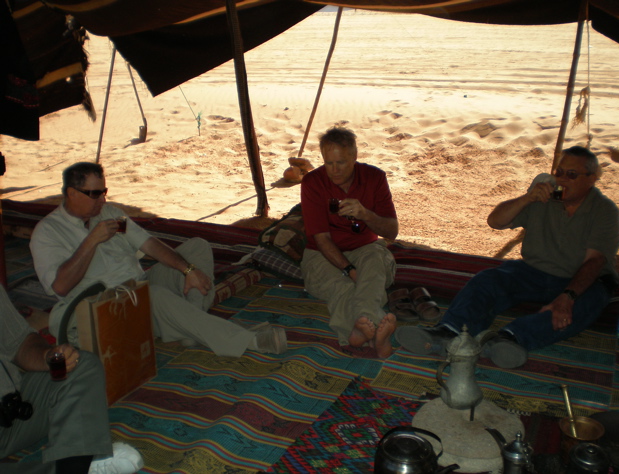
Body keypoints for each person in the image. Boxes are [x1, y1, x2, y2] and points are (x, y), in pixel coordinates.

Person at [396, 146, 619, 369]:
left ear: (591, 179)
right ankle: (449, 332)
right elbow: (495, 221)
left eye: (571, 175)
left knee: (580, 308)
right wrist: (526, 198)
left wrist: (568, 296)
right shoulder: (543, 198)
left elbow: (595, 261)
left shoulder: (604, 211)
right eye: (558, 172)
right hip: (534, 271)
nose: (562, 179)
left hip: (581, 280)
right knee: (488, 280)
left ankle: (509, 339)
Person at [30, 162, 286, 357]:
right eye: (94, 194)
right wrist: (91, 241)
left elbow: (149, 244)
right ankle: (244, 340)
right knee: (155, 295)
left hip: (141, 284)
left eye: (104, 191)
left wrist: (188, 270)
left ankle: (190, 322)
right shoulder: (48, 233)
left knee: (197, 247)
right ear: (72, 193)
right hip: (107, 306)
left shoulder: (109, 215)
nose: (103, 199)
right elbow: (60, 287)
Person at [0, 285, 143, 474]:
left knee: (82, 365)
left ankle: (77, 464)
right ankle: (78, 468)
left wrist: (46, 356)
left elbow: (19, 341)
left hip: (13, 409)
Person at [300, 126, 399, 358]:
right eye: (328, 163)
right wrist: (348, 269)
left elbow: (392, 232)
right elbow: (321, 239)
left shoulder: (374, 178)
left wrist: (366, 214)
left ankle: (361, 332)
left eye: (341, 163)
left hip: (365, 248)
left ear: (354, 157)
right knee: (342, 287)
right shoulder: (313, 182)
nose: (334, 170)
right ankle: (374, 336)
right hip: (322, 255)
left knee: (374, 266)